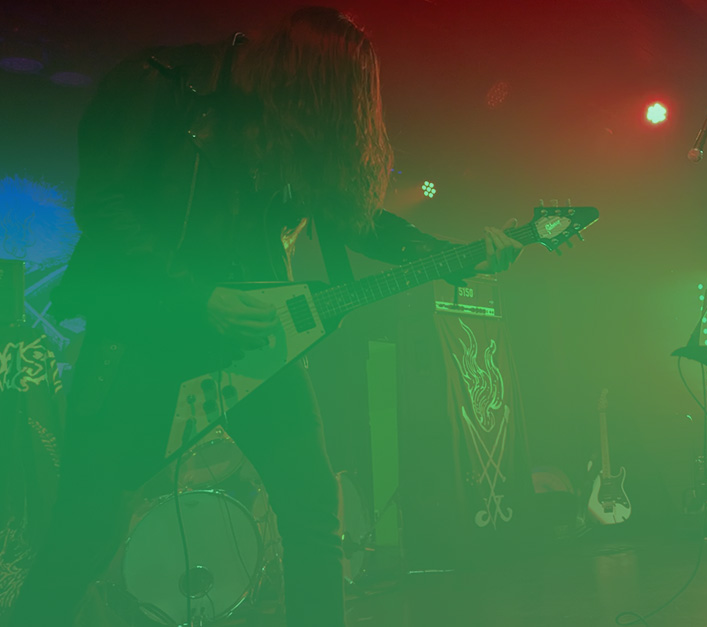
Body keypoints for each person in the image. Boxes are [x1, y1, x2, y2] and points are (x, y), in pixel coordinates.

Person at [8, 7, 522, 627]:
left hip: (254, 340)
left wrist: (451, 256)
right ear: (302, 79)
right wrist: (201, 298)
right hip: (146, 333)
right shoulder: (159, 83)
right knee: (87, 534)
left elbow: (351, 217)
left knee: (312, 510)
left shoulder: (283, 130)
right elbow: (104, 208)